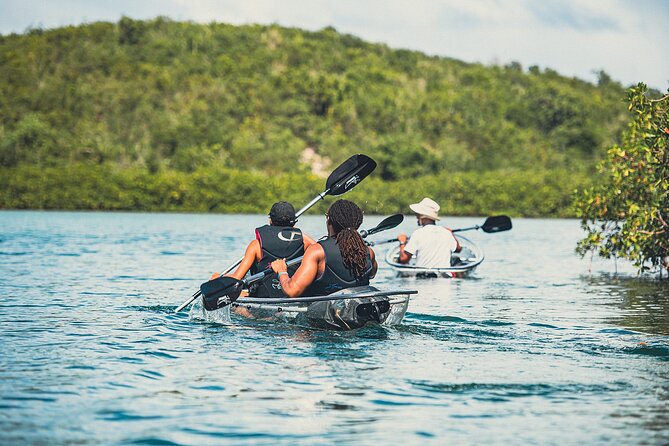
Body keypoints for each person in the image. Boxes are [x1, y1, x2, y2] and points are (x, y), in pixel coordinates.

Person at [270, 199, 378, 297]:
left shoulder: (317, 251)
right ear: (357, 225)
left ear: (329, 220)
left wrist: (282, 271)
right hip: (360, 314)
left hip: (323, 317)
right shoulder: (368, 252)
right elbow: (371, 275)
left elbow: (292, 291)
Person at [219, 201, 315, 298]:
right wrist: (298, 233)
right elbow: (321, 249)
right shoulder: (305, 242)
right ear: (294, 223)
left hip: (263, 298)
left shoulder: (256, 245)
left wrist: (218, 278)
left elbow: (237, 278)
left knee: (237, 300)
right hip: (294, 297)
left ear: (270, 221)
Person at [397, 197, 461, 268]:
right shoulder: (446, 232)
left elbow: (403, 259)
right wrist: (451, 234)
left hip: (421, 277)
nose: (416, 217)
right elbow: (458, 249)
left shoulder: (418, 233)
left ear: (423, 216)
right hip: (444, 277)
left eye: (417, 215)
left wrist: (402, 242)